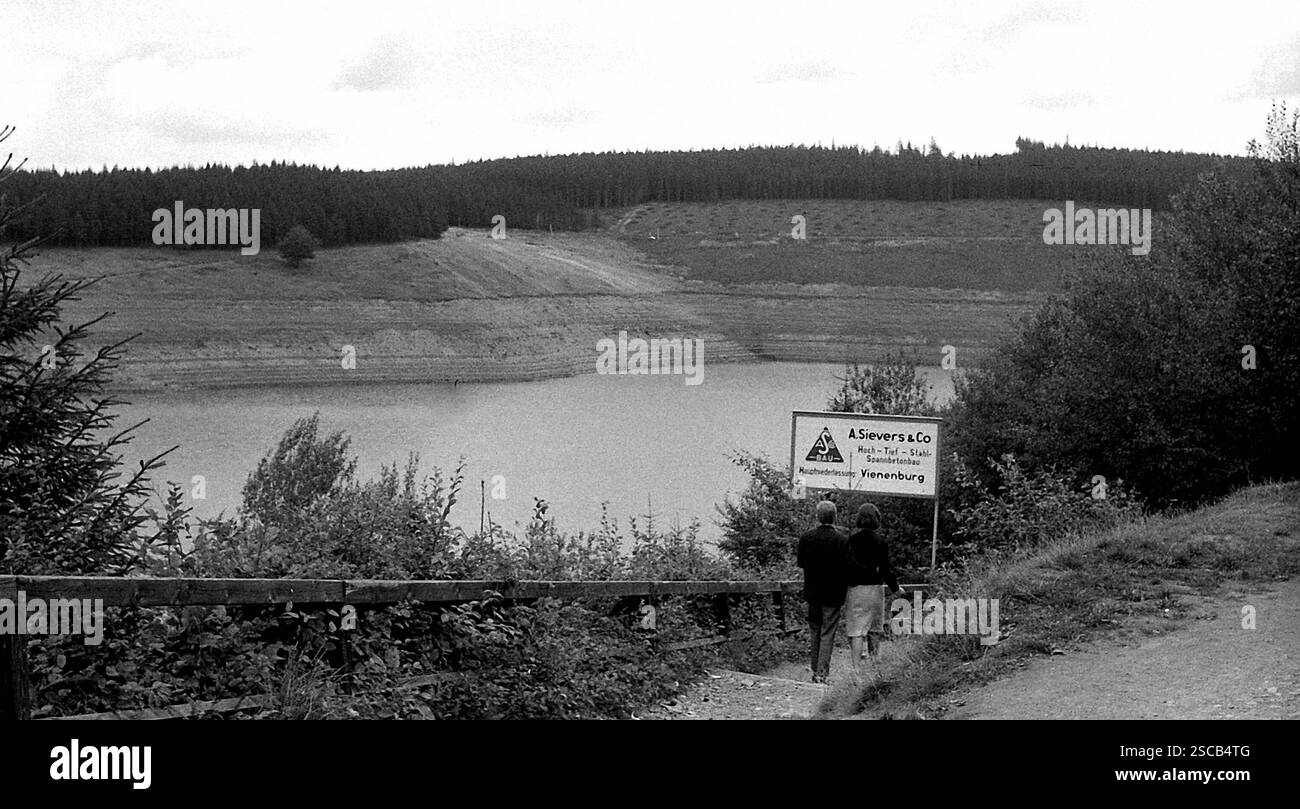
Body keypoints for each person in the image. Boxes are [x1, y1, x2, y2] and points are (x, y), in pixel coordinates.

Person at [796, 499, 867, 683]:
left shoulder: (806, 538)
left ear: (817, 516)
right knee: (828, 632)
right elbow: (849, 568)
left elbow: (801, 563)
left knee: (814, 630)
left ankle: (814, 669)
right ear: (835, 517)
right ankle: (822, 673)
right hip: (833, 594)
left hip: (812, 592)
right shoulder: (842, 541)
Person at [844, 502, 906, 675]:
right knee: (874, 628)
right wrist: (895, 588)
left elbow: (846, 566)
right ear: (876, 519)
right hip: (875, 588)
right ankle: (874, 663)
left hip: (855, 589)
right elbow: (885, 569)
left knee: (856, 629)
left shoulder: (851, 540)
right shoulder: (881, 541)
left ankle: (856, 669)